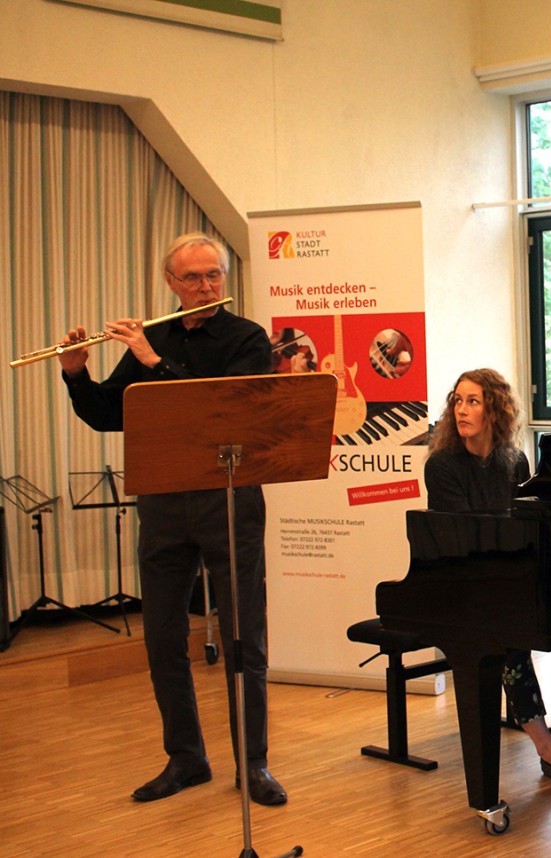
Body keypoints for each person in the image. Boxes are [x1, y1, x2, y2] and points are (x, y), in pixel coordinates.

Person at [58, 233, 287, 807]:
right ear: (171, 284)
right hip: (162, 500)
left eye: (214, 275)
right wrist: (76, 375)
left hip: (227, 500)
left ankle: (252, 763)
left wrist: (154, 363)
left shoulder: (246, 339)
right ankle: (186, 759)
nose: (207, 286)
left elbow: (219, 410)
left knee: (243, 638)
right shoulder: (153, 336)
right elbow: (112, 416)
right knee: (163, 638)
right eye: (194, 278)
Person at [423, 368, 551, 778]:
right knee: (507, 637)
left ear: (495, 410)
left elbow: (526, 523)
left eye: (473, 401)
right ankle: (545, 745)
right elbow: (464, 538)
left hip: (510, 576)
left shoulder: (513, 459)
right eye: (458, 401)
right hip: (465, 582)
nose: (461, 410)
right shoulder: (443, 466)